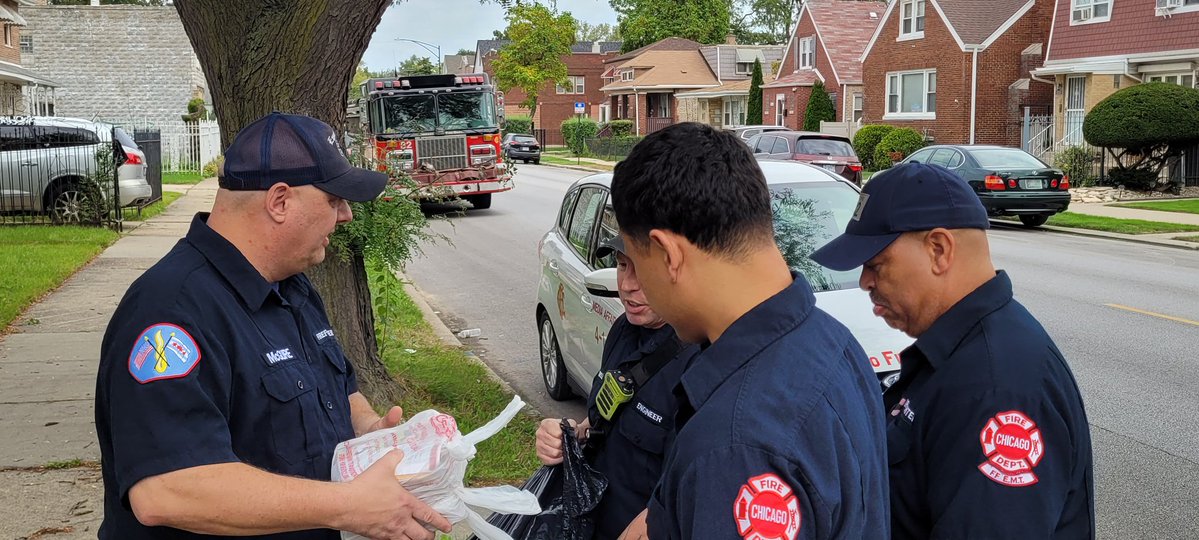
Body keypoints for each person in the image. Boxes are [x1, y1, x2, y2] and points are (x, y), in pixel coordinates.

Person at [94, 112, 453, 540]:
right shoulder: (170, 312)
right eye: (334, 200)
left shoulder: (292, 284)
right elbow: (168, 490)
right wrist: (349, 506)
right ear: (280, 201)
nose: (346, 216)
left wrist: (371, 433)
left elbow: (338, 392)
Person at [608, 122, 890, 540]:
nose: (636, 284)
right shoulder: (835, 341)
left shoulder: (735, 444)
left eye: (635, 260)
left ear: (668, 254)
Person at [810, 163, 1095, 538]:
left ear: (939, 250)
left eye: (876, 263)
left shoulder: (996, 387)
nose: (865, 281)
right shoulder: (961, 355)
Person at [535, 234, 699, 540]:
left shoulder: (700, 362)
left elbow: (698, 486)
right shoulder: (624, 329)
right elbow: (602, 420)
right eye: (623, 266)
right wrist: (569, 435)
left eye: (642, 270)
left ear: (676, 270)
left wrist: (657, 520)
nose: (626, 285)